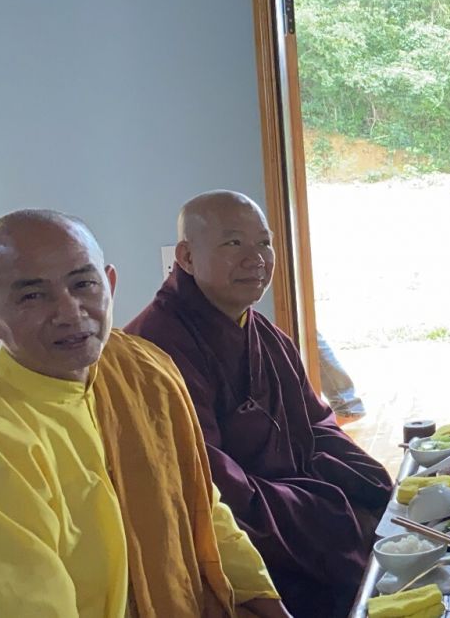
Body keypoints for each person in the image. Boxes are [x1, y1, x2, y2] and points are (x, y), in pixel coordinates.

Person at [0, 209, 289, 618]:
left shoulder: (144, 370)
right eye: (32, 296)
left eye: (83, 284)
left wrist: (264, 599)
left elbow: (201, 505)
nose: (70, 312)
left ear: (110, 285)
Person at [126, 191, 392, 618]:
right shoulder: (154, 350)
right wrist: (326, 511)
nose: (256, 259)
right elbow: (205, 483)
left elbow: (317, 424)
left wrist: (376, 486)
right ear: (187, 257)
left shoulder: (264, 333)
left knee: (387, 510)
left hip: (288, 509)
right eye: (233, 242)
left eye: (264, 243)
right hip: (238, 543)